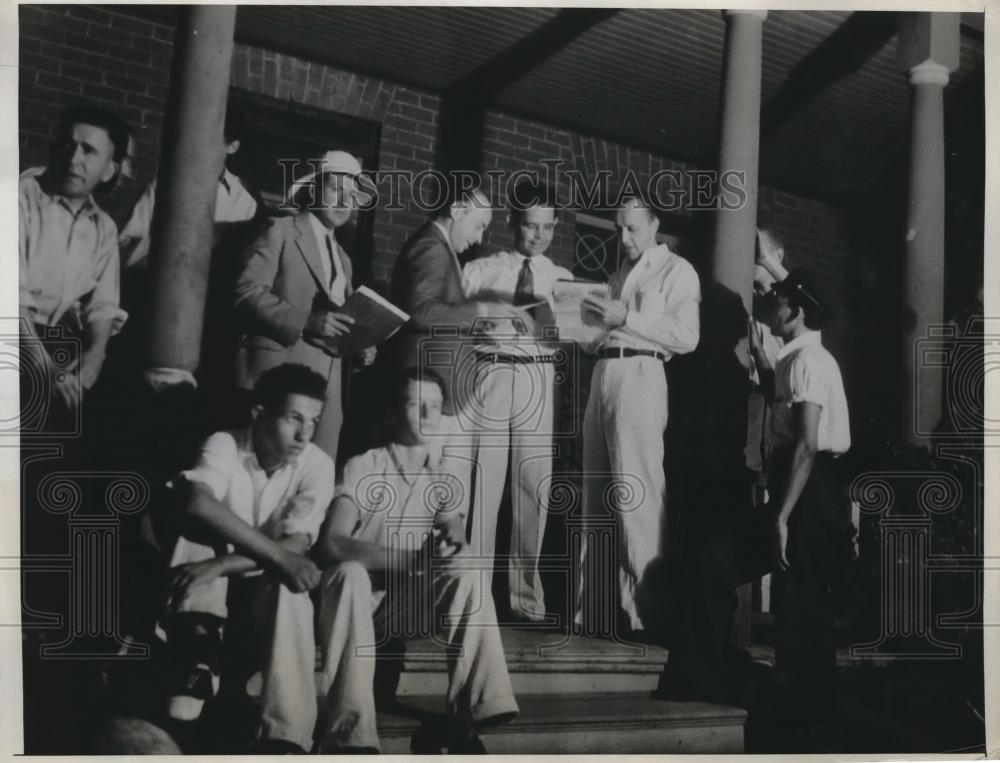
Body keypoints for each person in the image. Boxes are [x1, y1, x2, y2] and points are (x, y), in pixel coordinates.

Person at [314, 367, 518, 754]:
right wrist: (408, 560)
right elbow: (332, 544)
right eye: (415, 404)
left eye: (436, 407)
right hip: (357, 606)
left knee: (468, 565)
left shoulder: (442, 475)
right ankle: (350, 732)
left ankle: (477, 708)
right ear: (393, 412)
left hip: (406, 606)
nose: (428, 415)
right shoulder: (364, 465)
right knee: (349, 573)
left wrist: (452, 548)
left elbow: (454, 534)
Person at [157, 363, 334, 754]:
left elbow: (296, 547)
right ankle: (198, 658)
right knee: (197, 534)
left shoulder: (318, 463)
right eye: (293, 419)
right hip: (209, 589)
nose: (304, 434)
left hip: (260, 589)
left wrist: (225, 563)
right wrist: (243, 559)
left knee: (288, 585)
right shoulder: (225, 442)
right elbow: (198, 503)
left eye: (313, 421)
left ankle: (286, 738)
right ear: (260, 414)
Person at [574, 196, 700, 637]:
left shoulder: (676, 271)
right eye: (618, 230)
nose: (624, 238)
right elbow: (599, 337)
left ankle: (646, 613)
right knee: (597, 491)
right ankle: (597, 608)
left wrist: (626, 316)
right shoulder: (617, 276)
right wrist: (581, 324)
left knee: (637, 491)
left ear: (654, 226)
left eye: (632, 229)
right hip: (605, 371)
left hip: (643, 373)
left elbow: (687, 336)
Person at [460, 180, 573, 622]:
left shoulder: (562, 280)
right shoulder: (483, 269)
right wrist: (478, 323)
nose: (538, 236)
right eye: (530, 226)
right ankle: (471, 593)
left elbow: (581, 336)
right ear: (512, 223)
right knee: (483, 481)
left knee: (533, 483)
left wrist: (556, 325)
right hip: (489, 369)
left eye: (547, 227)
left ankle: (526, 597)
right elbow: (448, 315)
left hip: (536, 377)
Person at [749, 267, 853, 722]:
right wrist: (762, 359)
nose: (775, 304)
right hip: (804, 483)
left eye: (782, 300)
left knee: (803, 598)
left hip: (809, 486)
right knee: (797, 597)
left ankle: (808, 711)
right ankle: (803, 704)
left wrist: (781, 516)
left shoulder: (809, 362)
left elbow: (807, 444)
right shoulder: (799, 357)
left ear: (799, 311)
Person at [233, 150, 376, 465]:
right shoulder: (279, 230)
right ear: (314, 190)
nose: (344, 201)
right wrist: (306, 321)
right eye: (335, 190)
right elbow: (245, 292)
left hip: (328, 396)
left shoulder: (345, 259)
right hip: (277, 382)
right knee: (258, 472)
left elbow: (339, 325)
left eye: (352, 195)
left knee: (314, 480)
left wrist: (360, 348)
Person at [19, 104, 131, 417]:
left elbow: (103, 307)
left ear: (109, 169)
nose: (73, 159)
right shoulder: (18, 198)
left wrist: (95, 355)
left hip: (45, 345)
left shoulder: (103, 228)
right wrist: (48, 369)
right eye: (68, 145)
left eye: (88, 151)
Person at [384, 181, 527, 417]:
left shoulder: (440, 247)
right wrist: (481, 311)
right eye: (479, 226)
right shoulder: (432, 247)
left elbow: (439, 316)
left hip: (433, 391)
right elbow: (421, 312)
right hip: (423, 392)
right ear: (458, 210)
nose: (479, 238)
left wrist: (479, 325)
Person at [118, 104, 261, 270]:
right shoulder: (164, 185)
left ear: (232, 147)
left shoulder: (244, 202)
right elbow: (127, 245)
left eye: (211, 141)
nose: (199, 148)